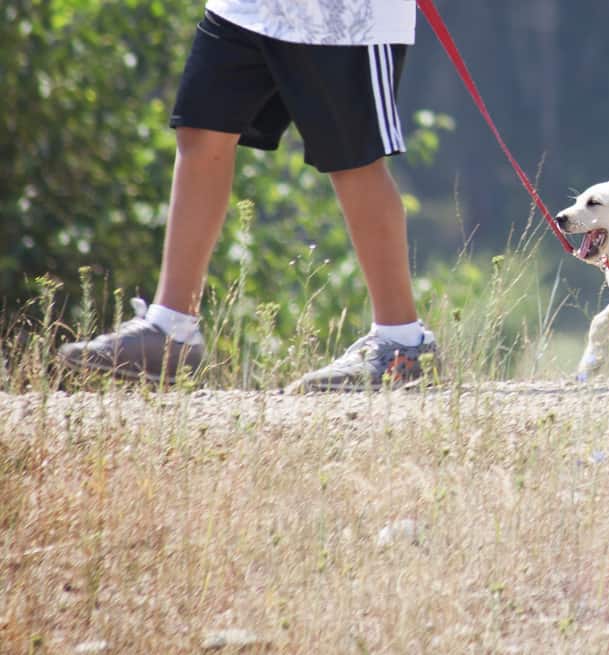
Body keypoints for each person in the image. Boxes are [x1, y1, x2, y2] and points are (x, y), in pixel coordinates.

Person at [58, 0, 438, 392]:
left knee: (353, 159)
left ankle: (401, 343)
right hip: (247, 8)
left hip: (343, 15)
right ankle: (171, 329)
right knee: (201, 127)